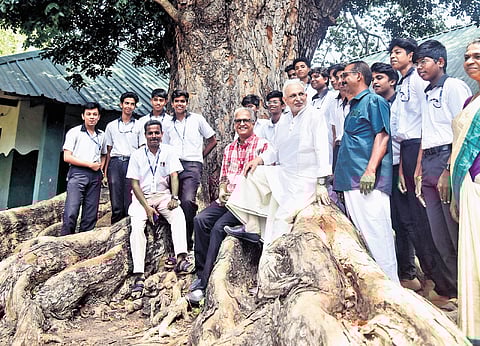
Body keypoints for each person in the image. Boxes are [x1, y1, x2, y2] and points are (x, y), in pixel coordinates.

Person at [226, 79, 331, 246]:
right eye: (293, 96)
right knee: (252, 173)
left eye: (301, 94)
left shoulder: (315, 116)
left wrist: (321, 183)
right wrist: (259, 160)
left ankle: (276, 255)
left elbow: (322, 150)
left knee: (282, 218)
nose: (298, 98)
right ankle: (252, 228)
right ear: (285, 100)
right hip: (284, 173)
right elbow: (275, 149)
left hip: (305, 179)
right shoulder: (285, 119)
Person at [187, 107, 269, 304]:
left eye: (246, 121)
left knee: (218, 228)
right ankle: (201, 272)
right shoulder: (230, 148)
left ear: (253, 123)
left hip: (245, 202)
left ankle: (205, 284)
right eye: (238, 121)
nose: (242, 124)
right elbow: (224, 175)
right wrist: (222, 190)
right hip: (227, 199)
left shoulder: (262, 146)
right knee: (200, 220)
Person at [413, 40, 472, 301]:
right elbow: (426, 132)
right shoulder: (427, 91)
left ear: (440, 62)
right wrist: (417, 170)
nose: (419, 67)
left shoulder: (453, 87)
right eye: (416, 63)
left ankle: (472, 295)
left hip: (448, 159)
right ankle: (458, 292)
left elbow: (462, 130)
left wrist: (448, 170)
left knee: (456, 230)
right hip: (428, 161)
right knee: (439, 237)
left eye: (423, 61)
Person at [333, 61, 399, 283]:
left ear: (359, 76)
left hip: (368, 180)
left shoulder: (374, 101)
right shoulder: (352, 106)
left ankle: (391, 288)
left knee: (378, 236)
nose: (341, 80)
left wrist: (370, 170)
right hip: (351, 181)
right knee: (364, 238)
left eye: (345, 75)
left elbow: (382, 136)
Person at [126, 119, 191, 299]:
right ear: (145, 135)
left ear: (161, 134)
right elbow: (134, 184)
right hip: (142, 198)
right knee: (137, 228)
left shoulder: (169, 151)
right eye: (150, 133)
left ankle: (181, 259)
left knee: (178, 215)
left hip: (163, 195)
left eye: (157, 133)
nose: (154, 136)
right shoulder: (137, 155)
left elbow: (174, 176)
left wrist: (174, 197)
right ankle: (138, 275)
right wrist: (147, 208)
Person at [450, 38, 480, 345]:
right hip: (470, 187)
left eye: (477, 56)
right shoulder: (470, 102)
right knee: (473, 255)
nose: (470, 60)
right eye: (467, 56)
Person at [162, 89, 217, 250]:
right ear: (172, 104)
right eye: (177, 101)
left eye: (183, 101)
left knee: (187, 201)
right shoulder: (167, 123)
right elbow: (164, 146)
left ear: (187, 103)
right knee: (171, 201)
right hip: (173, 165)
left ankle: (187, 240)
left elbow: (212, 140)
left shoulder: (197, 119)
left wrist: (199, 157)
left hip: (192, 164)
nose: (180, 104)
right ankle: (173, 241)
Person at [61, 102, 107, 236]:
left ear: (98, 117)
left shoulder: (101, 135)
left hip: (95, 175)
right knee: (71, 211)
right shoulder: (74, 132)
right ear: (83, 116)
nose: (92, 117)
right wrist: (89, 165)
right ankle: (65, 240)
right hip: (78, 173)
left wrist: (101, 168)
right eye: (89, 114)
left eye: (95, 114)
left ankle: (83, 241)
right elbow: (66, 157)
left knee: (90, 213)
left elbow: (104, 154)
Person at [104, 91, 144, 224]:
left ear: (135, 106)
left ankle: (128, 228)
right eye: (126, 103)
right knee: (116, 199)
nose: (129, 106)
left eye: (132, 104)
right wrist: (105, 173)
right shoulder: (111, 126)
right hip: (115, 163)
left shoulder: (139, 125)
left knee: (130, 198)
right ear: (121, 104)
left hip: (131, 162)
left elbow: (142, 149)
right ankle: (114, 228)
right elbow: (108, 151)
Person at [310, 66, 336, 166]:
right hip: (314, 143)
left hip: (329, 141)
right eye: (311, 78)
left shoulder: (332, 97)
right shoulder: (313, 100)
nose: (313, 80)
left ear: (326, 79)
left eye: (316, 77)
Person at [327, 63, 349, 172]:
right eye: (337, 77)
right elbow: (334, 132)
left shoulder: (357, 101)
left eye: (343, 77)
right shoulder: (334, 103)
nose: (339, 81)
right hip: (339, 147)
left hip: (352, 146)